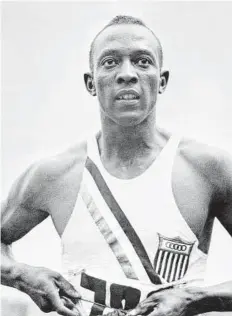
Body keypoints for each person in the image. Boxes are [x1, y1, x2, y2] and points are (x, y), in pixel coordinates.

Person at [1, 15, 232, 316]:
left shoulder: (207, 170)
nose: (127, 74)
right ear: (90, 83)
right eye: (110, 62)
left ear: (161, 81)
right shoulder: (54, 175)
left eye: (142, 61)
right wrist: (21, 276)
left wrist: (197, 298)